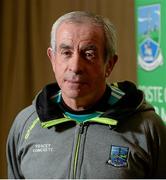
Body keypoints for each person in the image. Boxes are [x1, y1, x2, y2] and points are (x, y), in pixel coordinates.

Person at [6, 11, 166, 179]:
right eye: (66, 53)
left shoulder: (148, 127)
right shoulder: (25, 124)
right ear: (52, 59)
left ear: (109, 64)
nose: (75, 67)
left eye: (89, 54)